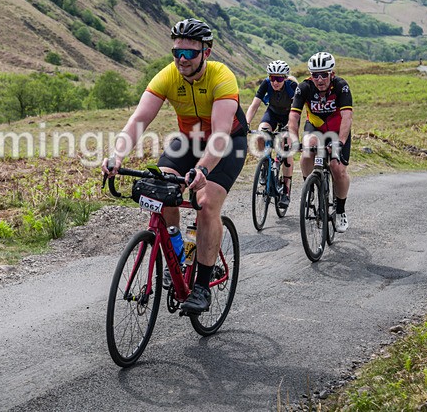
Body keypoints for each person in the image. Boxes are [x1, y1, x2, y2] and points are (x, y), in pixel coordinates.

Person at [102, 18, 248, 314]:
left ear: (205, 53)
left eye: (189, 53)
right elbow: (137, 120)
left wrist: (204, 169)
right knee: (160, 188)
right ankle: (177, 251)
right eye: (177, 52)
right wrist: (116, 156)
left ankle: (202, 287)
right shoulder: (168, 76)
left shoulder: (222, 77)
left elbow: (219, 136)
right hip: (189, 139)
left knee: (206, 204)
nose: (181, 59)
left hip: (228, 144)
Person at [287, 52, 353, 233]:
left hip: (337, 129)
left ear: (332, 73)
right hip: (315, 127)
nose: (320, 79)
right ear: (310, 75)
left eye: (324, 74)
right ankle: (311, 188)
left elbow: (347, 116)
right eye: (315, 75)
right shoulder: (304, 87)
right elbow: (293, 117)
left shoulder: (341, 86)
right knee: (307, 149)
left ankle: (340, 211)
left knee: (337, 168)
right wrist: (293, 139)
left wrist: (340, 141)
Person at [244, 60, 297, 206]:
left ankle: (286, 191)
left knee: (286, 150)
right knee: (261, 133)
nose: (275, 82)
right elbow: (254, 105)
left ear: (285, 78)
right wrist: (246, 123)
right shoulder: (266, 84)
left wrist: (288, 127)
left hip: (289, 115)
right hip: (272, 113)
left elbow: (295, 110)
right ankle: (265, 165)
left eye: (279, 78)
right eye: (272, 78)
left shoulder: (292, 86)